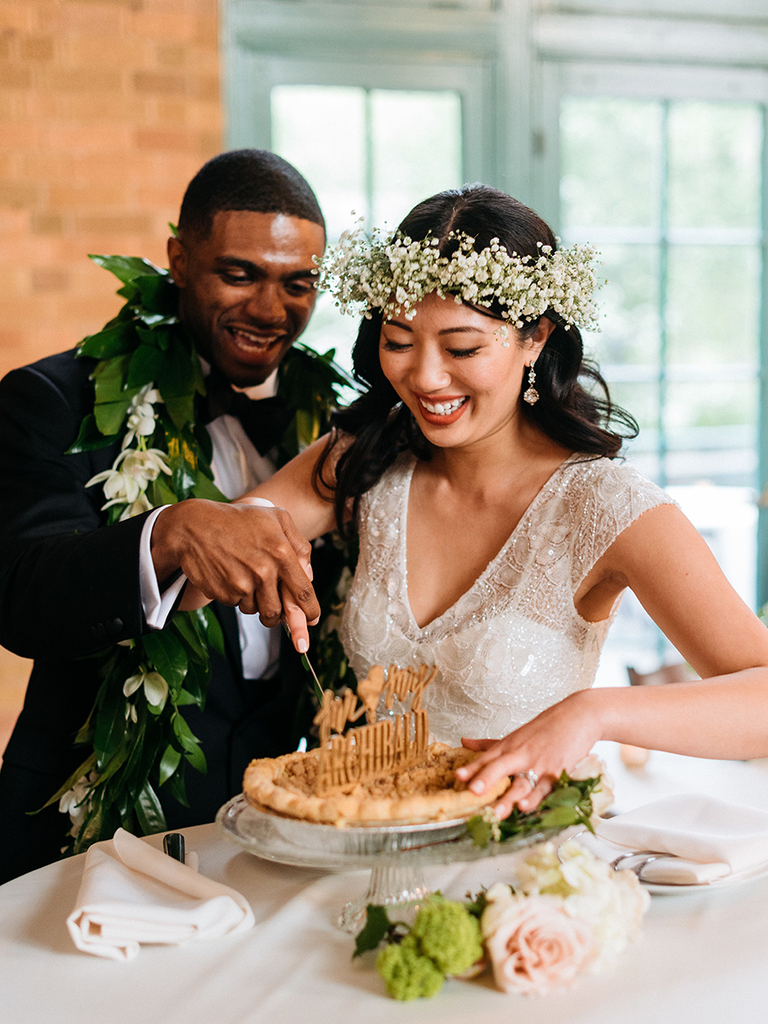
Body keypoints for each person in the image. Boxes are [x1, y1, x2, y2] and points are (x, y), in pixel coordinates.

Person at [211, 183, 768, 819]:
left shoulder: (607, 506)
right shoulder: (367, 458)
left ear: (534, 338)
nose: (424, 377)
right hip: (373, 852)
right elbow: (221, 544)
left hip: (523, 873)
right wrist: (235, 538)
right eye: (399, 342)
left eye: (463, 348)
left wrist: (596, 712)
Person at [0, 149, 332, 882]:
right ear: (179, 259)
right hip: (80, 836)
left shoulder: (330, 421)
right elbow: (22, 599)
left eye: (297, 282)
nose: (271, 309)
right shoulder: (53, 400)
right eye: (239, 274)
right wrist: (169, 534)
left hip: (272, 837)